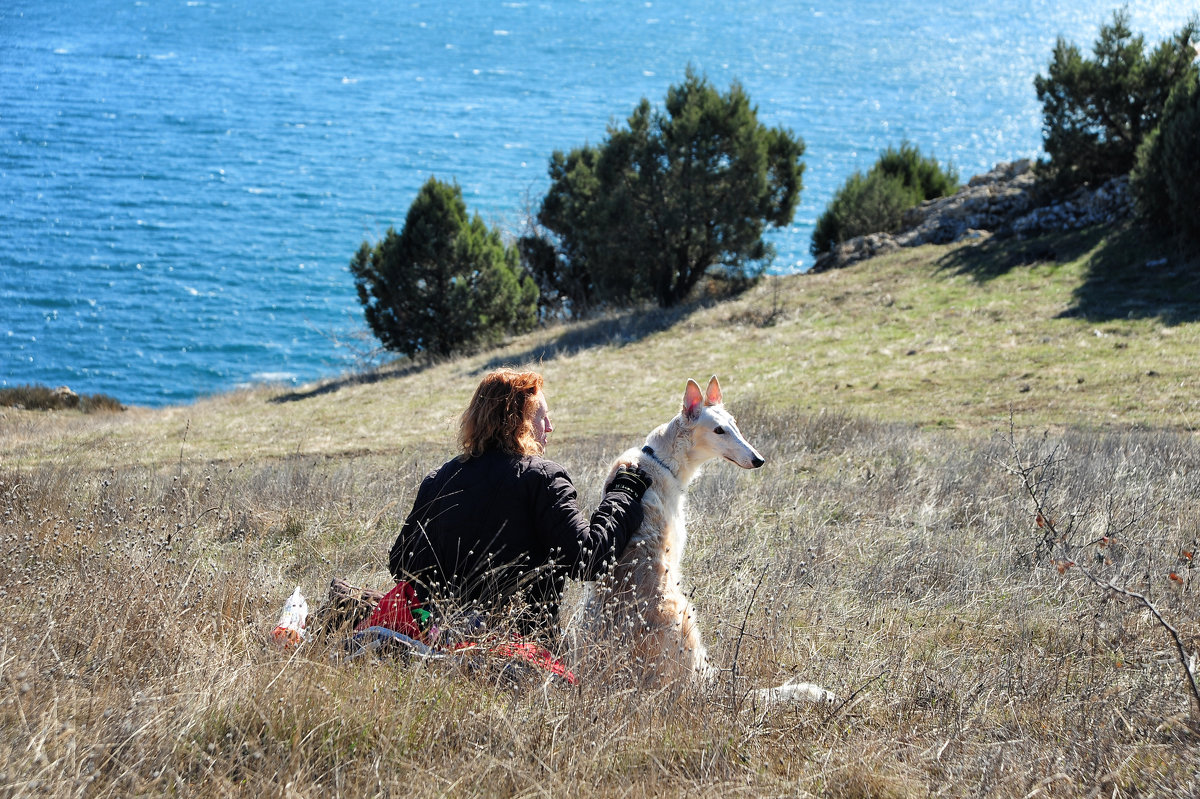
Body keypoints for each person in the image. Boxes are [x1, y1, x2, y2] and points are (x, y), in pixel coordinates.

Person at [386, 368, 650, 640]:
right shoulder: (541, 478)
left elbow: (401, 563)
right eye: (542, 417)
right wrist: (624, 493)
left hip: (437, 643)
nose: (549, 427)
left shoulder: (438, 479)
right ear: (517, 421)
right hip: (518, 651)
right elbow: (589, 559)